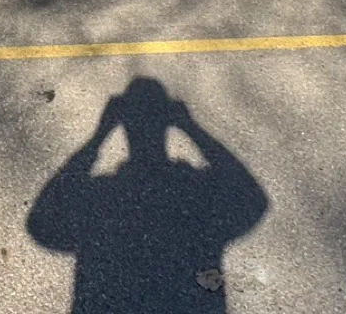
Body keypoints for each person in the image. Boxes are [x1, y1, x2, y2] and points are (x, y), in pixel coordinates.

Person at [27, 77, 269, 313]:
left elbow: (40, 224)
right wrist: (191, 127)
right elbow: (252, 197)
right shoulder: (194, 192)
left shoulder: (103, 196)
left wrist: (99, 136)